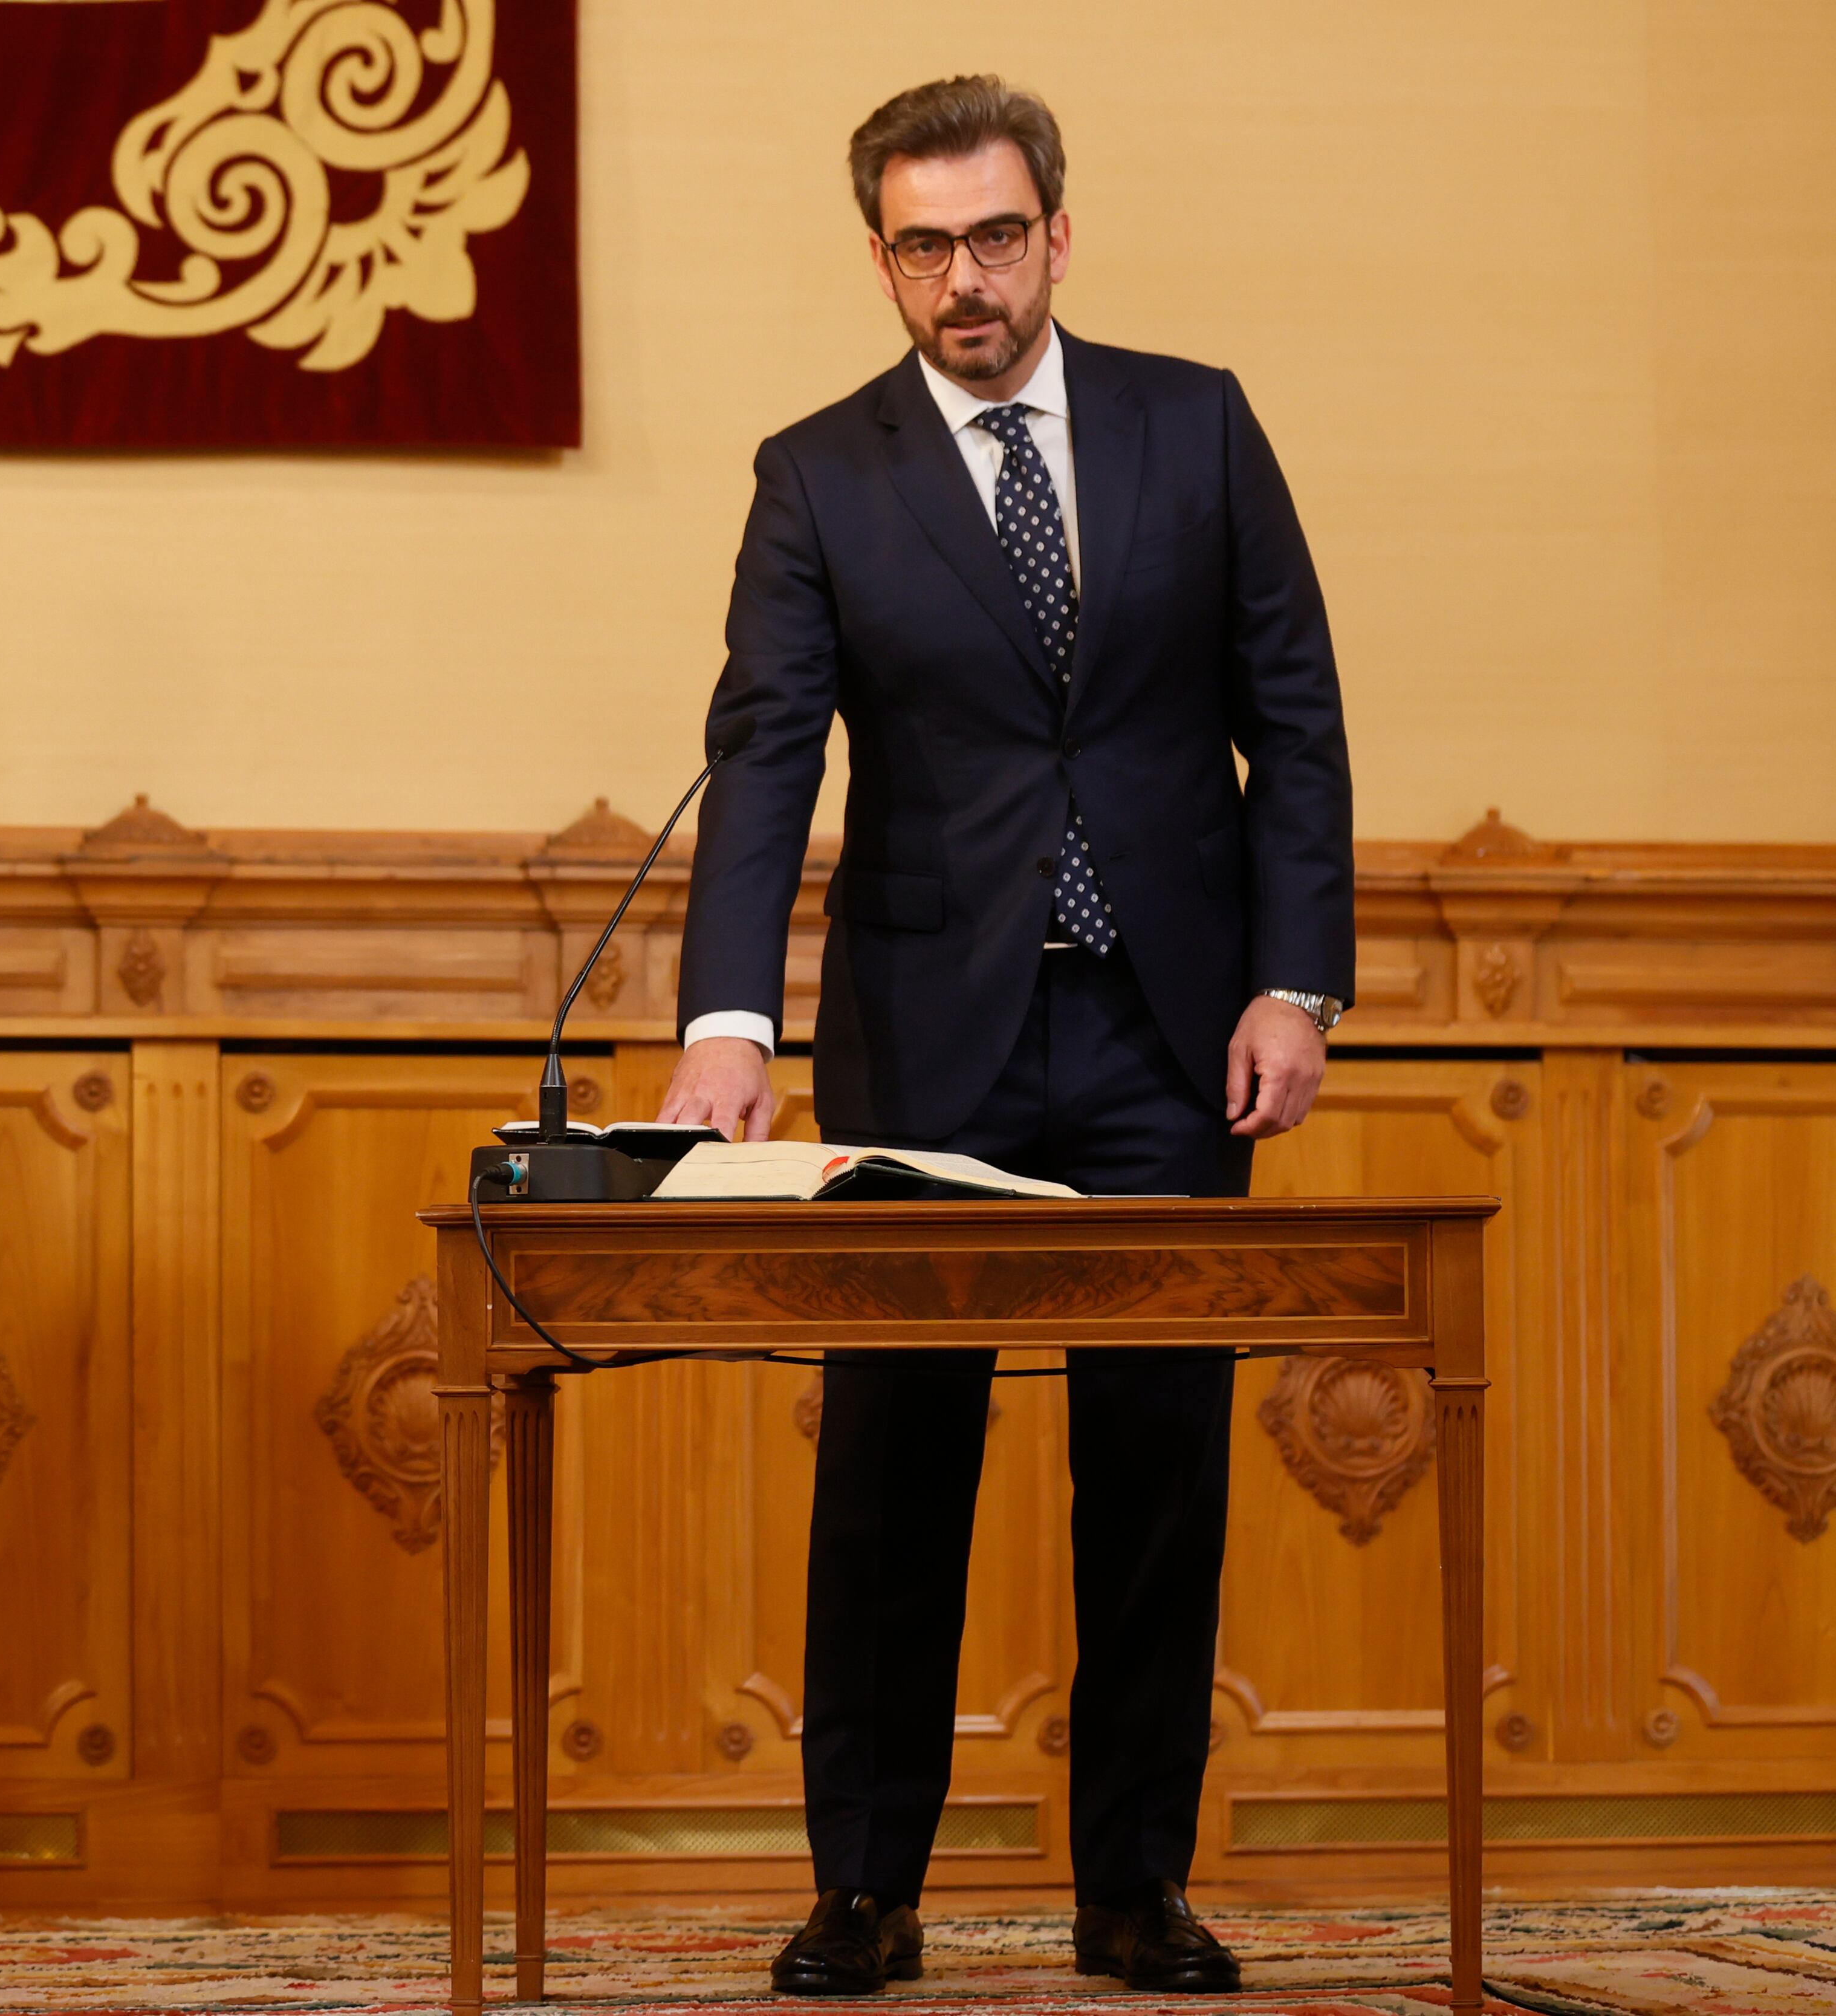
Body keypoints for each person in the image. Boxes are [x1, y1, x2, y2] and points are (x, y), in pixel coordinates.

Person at [660, 76, 1352, 1998]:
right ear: (879, 255)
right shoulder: (819, 472)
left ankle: (1135, 1885)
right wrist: (728, 1018)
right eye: (919, 245)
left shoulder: (1195, 425)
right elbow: (761, 753)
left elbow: (1290, 714)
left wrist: (1298, 983)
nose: (960, 279)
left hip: (1169, 1033)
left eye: (991, 236)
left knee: (1156, 1465)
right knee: (896, 1458)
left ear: (1057, 231)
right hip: (927, 1030)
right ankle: (864, 1888)